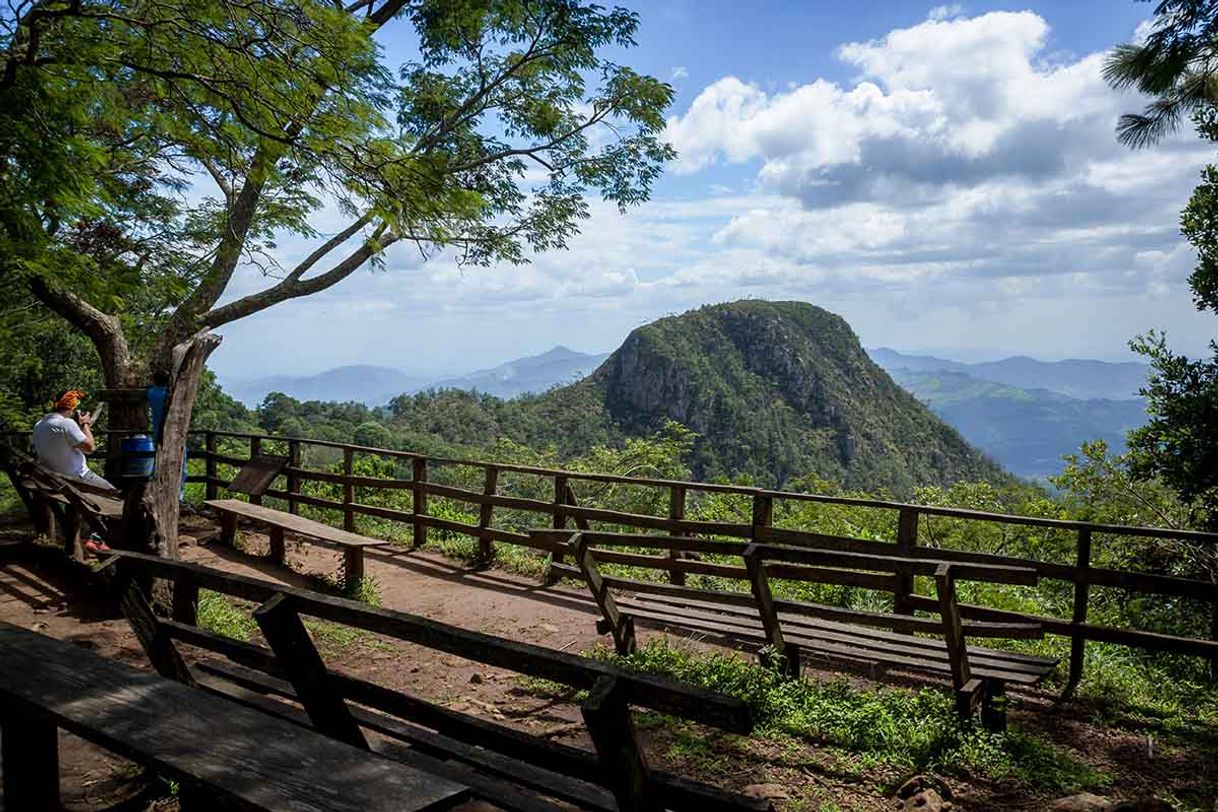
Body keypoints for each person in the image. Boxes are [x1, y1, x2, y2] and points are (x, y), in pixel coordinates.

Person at [32, 389, 116, 492]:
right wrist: (85, 424)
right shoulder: (66, 423)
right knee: (114, 495)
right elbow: (90, 448)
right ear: (72, 408)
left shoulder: (39, 425)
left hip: (54, 480)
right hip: (77, 478)